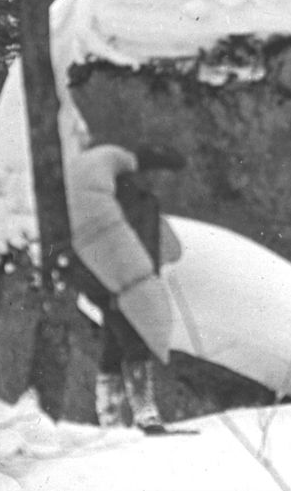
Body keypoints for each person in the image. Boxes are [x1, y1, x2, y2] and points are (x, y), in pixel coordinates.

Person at [65, 143, 184, 433]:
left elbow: (155, 245)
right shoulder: (123, 198)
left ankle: (110, 417)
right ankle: (145, 413)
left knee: (115, 342)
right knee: (134, 338)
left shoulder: (141, 199)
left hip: (123, 283)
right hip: (114, 282)